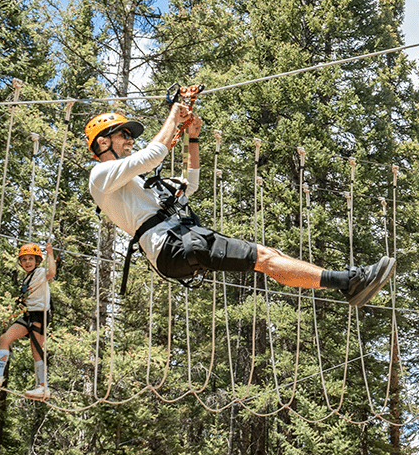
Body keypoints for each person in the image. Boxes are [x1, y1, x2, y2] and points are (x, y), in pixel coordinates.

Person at [86, 105, 396, 307]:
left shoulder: (138, 184)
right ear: (102, 143)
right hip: (172, 247)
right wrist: (173, 117)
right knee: (263, 257)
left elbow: (189, 185)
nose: (129, 140)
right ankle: (351, 282)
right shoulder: (100, 177)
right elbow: (153, 156)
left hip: (180, 243)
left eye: (129, 135)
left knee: (269, 256)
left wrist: (192, 139)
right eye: (123, 134)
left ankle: (348, 283)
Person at [0, 241, 56, 399]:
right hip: (28, 315)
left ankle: (43, 387)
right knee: (4, 338)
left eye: (30, 259)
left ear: (37, 261)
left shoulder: (40, 272)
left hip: (39, 315)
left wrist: (50, 253)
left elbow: (52, 272)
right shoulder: (28, 278)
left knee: (36, 350)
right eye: (24, 260)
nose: (27, 262)